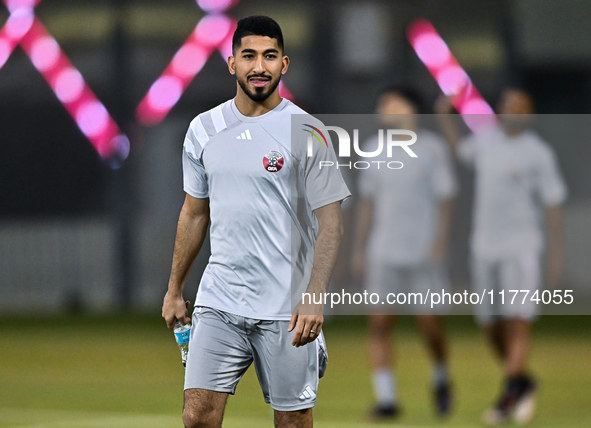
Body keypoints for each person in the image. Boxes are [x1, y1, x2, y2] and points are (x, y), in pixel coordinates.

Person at [161, 16, 350, 428]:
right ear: (231, 63)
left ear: (285, 64)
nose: (258, 66)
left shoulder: (309, 131)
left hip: (288, 306)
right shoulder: (203, 129)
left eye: (269, 56)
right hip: (220, 300)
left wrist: (315, 295)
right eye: (248, 56)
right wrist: (175, 288)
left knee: (293, 422)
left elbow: (331, 222)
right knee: (197, 417)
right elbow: (194, 212)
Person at [436, 88, 567, 425]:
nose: (513, 112)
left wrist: (555, 255)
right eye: (508, 106)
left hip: (521, 248)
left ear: (530, 113)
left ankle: (508, 396)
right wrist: (444, 118)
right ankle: (524, 382)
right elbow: (460, 151)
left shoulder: (538, 153)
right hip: (484, 248)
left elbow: (554, 206)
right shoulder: (486, 142)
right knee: (491, 327)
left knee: (517, 321)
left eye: (520, 107)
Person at [352, 87, 457, 420]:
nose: (385, 108)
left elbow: (446, 199)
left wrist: (440, 241)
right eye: (383, 103)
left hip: (422, 252)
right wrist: (360, 246)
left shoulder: (432, 149)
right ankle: (387, 400)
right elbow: (367, 204)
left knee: (429, 326)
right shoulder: (371, 150)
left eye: (393, 102)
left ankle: (441, 376)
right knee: (380, 325)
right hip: (384, 250)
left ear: (412, 108)